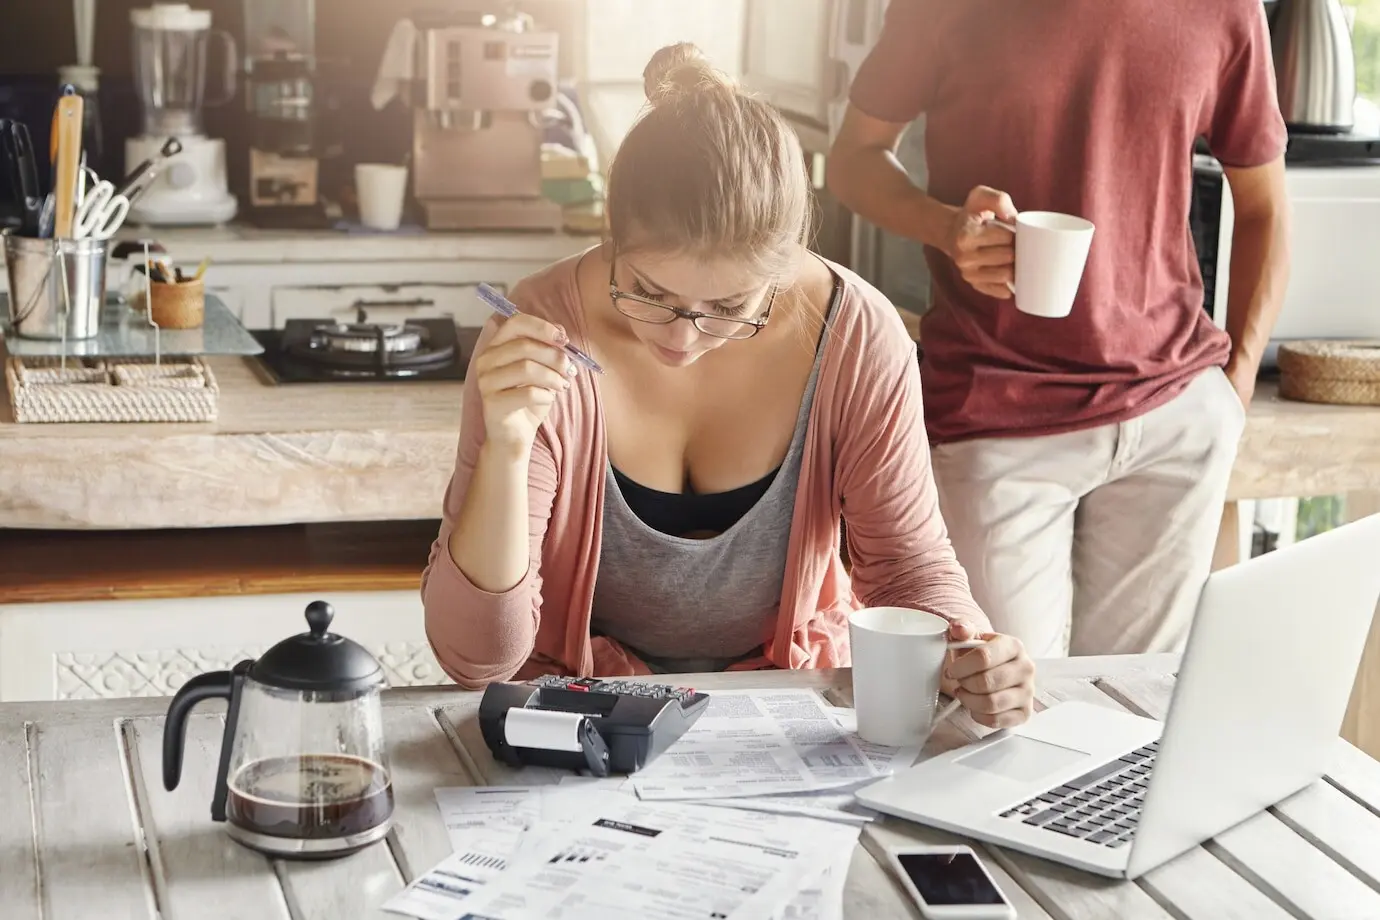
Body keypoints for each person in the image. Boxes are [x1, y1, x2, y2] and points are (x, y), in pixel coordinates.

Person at [421, 43, 1037, 729]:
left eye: (728, 309)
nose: (683, 339)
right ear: (610, 236)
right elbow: (476, 661)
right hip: (577, 719)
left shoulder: (856, 336)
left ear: (785, 270)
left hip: (779, 715)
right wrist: (507, 449)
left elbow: (905, 568)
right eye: (650, 292)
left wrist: (968, 648)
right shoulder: (540, 327)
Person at [826, 0, 1291, 658]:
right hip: (997, 419)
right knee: (1000, 719)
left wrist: (1235, 386)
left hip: (1172, 422)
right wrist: (945, 227)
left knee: (1134, 719)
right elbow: (853, 157)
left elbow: (1266, 206)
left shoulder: (1226, 8)